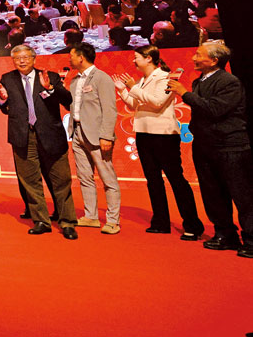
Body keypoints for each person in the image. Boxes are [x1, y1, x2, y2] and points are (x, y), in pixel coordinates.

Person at [168, 43, 253, 258]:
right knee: (212, 193)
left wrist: (184, 93)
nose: (194, 58)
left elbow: (215, 109)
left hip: (230, 146)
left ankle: (251, 238)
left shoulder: (229, 82)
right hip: (205, 145)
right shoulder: (199, 81)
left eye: (199, 55)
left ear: (214, 60)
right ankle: (225, 234)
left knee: (242, 195)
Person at [115, 45, 203, 239]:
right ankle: (160, 221)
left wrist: (133, 87)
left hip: (164, 135)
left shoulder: (165, 77)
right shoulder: (142, 80)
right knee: (153, 180)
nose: (133, 61)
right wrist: (123, 91)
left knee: (176, 179)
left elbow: (157, 102)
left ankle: (192, 224)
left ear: (149, 58)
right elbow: (135, 104)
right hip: (143, 133)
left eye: (136, 57)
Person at [0, 45, 78, 239]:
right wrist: (2, 98)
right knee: (30, 182)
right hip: (23, 136)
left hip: (50, 135)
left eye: (25, 57)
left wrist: (50, 88)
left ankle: (67, 222)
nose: (22, 61)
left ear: (34, 59)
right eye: (17, 58)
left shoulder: (50, 77)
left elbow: (67, 99)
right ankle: (41, 221)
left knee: (61, 180)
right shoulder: (7, 79)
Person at [68, 42, 121, 234]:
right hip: (78, 132)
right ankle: (91, 216)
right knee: (84, 177)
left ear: (81, 57)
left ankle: (113, 220)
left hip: (98, 135)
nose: (69, 59)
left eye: (72, 56)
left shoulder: (101, 78)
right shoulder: (74, 80)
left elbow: (110, 109)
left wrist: (106, 136)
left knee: (108, 179)